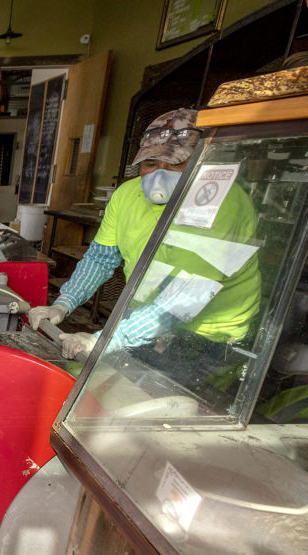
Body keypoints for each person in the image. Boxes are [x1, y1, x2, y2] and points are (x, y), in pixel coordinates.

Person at [34, 109, 260, 389]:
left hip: (210, 334)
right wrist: (62, 304)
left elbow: (187, 295)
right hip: (146, 319)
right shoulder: (127, 195)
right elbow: (100, 258)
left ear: (203, 163)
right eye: (150, 163)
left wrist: (106, 339)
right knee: (120, 390)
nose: (159, 175)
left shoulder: (222, 203)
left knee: (168, 410)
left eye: (176, 163)